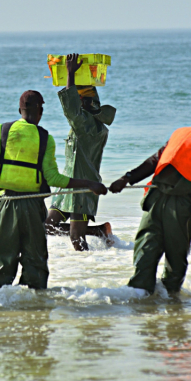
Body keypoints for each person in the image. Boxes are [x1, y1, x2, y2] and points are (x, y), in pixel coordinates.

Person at [0, 90, 107, 289]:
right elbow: (53, 178)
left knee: (1, 261)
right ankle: (35, 307)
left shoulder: (2, 130)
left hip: (7, 205)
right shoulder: (45, 138)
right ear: (40, 111)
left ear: (19, 110)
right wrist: (88, 183)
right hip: (34, 206)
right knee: (36, 264)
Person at [109, 104, 191, 295]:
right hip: (181, 202)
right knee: (176, 254)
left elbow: (154, 160)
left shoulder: (181, 134)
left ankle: (139, 295)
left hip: (155, 197)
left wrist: (127, 178)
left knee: (147, 246)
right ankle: (170, 298)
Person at [45, 53, 116, 251]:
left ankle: (91, 274)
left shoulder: (88, 125)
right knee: (48, 227)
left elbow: (71, 109)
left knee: (77, 239)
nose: (76, 101)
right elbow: (73, 108)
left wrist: (69, 74)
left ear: (85, 102)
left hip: (84, 187)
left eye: (79, 98)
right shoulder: (86, 123)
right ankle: (99, 231)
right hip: (68, 183)